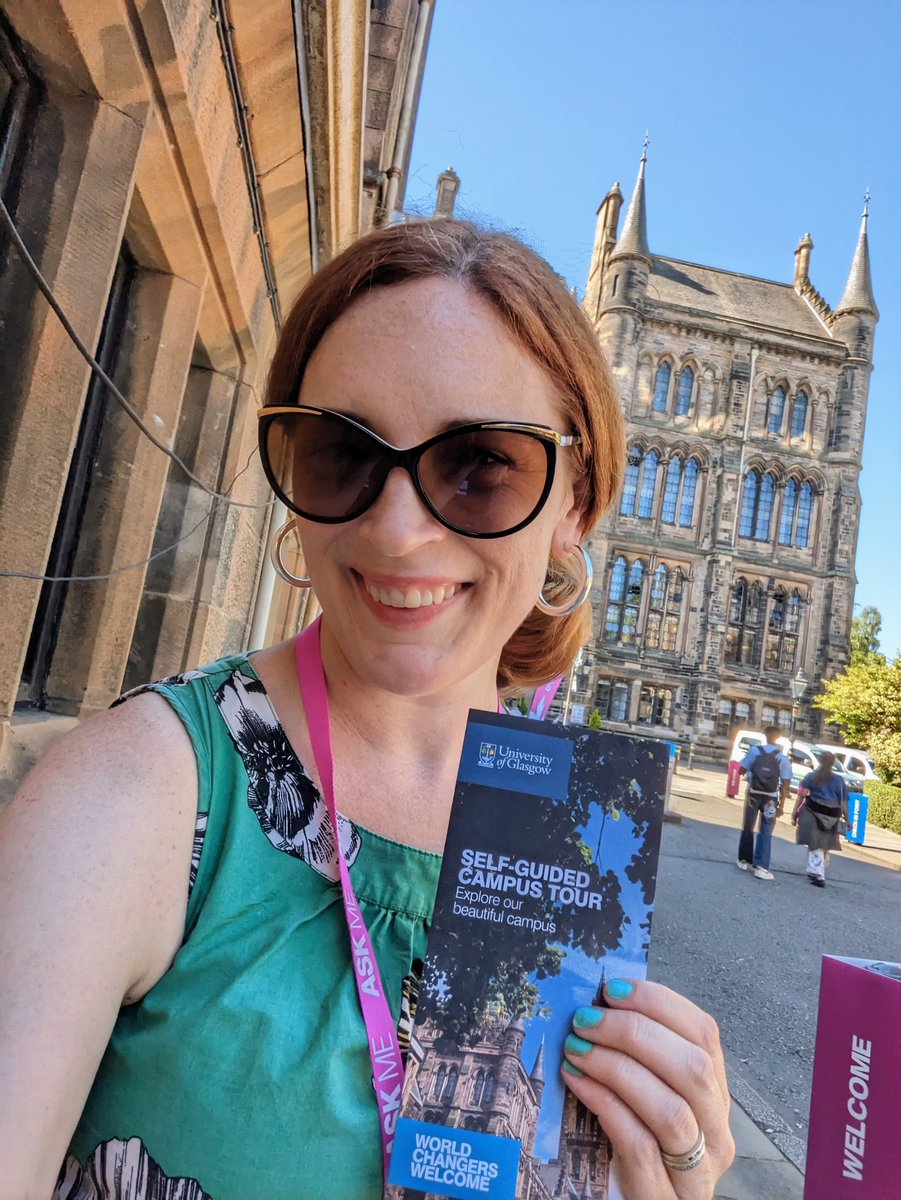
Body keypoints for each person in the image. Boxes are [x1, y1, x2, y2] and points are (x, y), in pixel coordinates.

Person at [0, 219, 734, 1199]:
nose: (396, 531)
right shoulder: (139, 790)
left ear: (576, 500)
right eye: (341, 454)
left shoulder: (566, 833)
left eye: (480, 463)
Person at [736, 726, 792, 880]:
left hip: (753, 794)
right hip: (770, 798)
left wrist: (751, 769)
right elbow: (786, 784)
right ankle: (761, 867)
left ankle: (743, 860)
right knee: (766, 830)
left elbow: (741, 770)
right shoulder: (782, 758)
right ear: (778, 738)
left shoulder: (755, 751)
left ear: (765, 735)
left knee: (748, 826)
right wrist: (782, 805)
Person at [791, 751, 851, 887]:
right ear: (833, 763)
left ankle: (818, 873)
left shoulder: (812, 776)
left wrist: (795, 813)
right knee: (824, 844)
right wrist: (848, 820)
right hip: (832, 815)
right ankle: (817, 870)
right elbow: (844, 803)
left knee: (814, 842)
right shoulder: (839, 781)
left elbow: (802, 795)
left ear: (820, 761)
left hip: (813, 811)